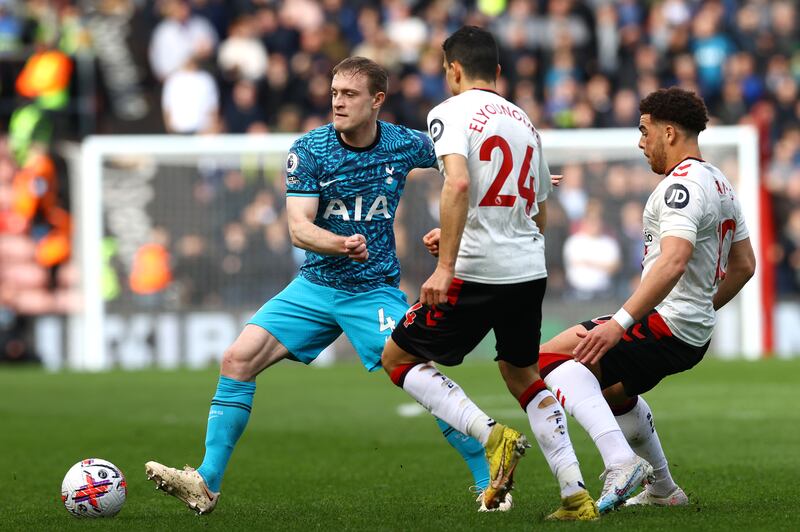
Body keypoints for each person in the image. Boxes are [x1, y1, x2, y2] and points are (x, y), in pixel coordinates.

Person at [144, 56, 495, 514]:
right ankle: (206, 482)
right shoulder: (309, 150)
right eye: (334, 94)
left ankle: (488, 479)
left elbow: (462, 165)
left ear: (377, 101)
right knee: (237, 359)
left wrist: (518, 184)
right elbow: (298, 228)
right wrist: (338, 243)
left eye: (349, 95)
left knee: (417, 375)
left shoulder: (404, 144)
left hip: (373, 291)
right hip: (315, 285)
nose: (338, 102)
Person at [380, 26, 599, 520]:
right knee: (521, 372)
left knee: (396, 357)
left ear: (452, 70)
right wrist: (470, 230)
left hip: (476, 272)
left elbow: (457, 182)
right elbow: (539, 211)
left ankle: (491, 436)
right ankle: (575, 495)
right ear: (497, 73)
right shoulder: (525, 121)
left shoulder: (448, 113)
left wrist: (446, 264)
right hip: (528, 268)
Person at [537, 87, 756, 512]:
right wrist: (701, 309)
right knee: (616, 394)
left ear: (669, 132)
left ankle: (621, 462)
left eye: (644, 131)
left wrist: (619, 324)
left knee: (549, 360)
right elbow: (744, 265)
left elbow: (673, 261)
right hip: (689, 330)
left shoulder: (682, 187)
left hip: (666, 322)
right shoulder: (719, 181)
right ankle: (663, 489)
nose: (640, 143)